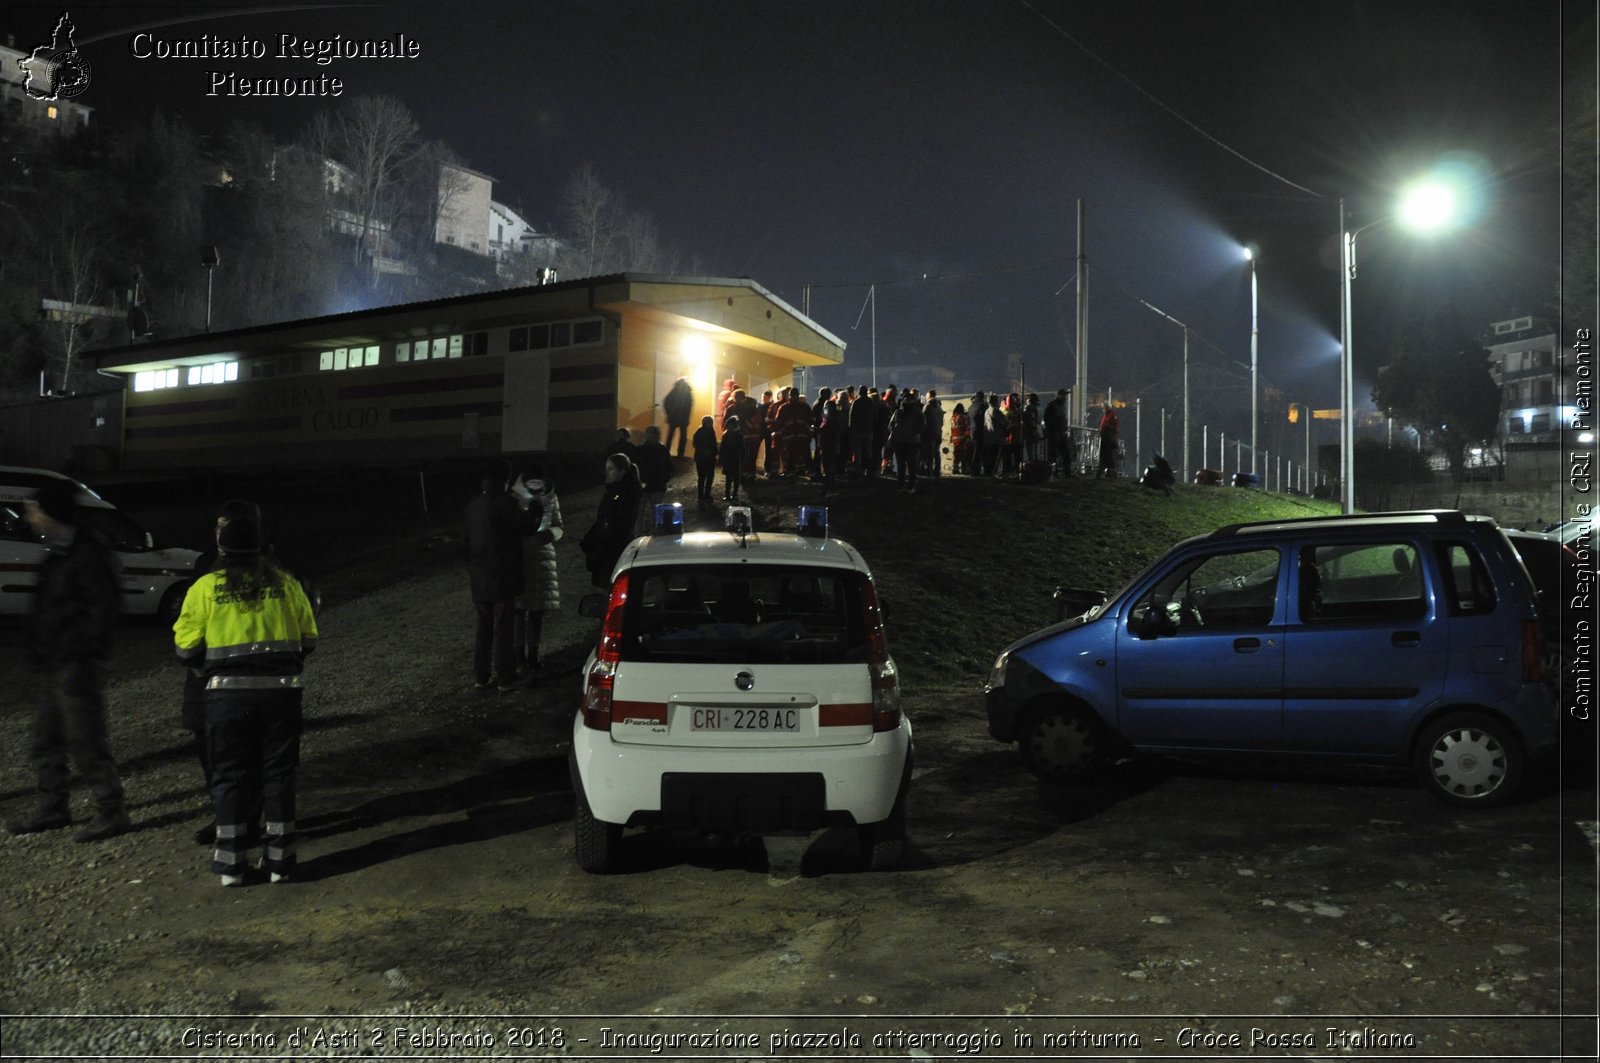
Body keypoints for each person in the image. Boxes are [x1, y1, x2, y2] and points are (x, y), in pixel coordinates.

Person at [174, 510, 318, 885]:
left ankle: (230, 867)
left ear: (221, 548)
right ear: (261, 547)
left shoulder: (205, 587)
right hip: (282, 695)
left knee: (229, 778)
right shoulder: (287, 584)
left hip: (226, 698)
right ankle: (280, 864)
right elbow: (309, 639)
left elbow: (185, 647)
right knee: (278, 776)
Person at [8, 479, 131, 842]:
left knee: (85, 739)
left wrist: (79, 653)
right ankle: (54, 807)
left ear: (51, 513)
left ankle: (112, 810)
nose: (28, 517)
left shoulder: (88, 553)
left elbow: (103, 610)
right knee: (46, 740)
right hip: (56, 663)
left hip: (75, 664)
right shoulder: (60, 552)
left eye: (33, 509)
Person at [181, 499, 263, 847]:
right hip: (205, 683)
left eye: (226, 526)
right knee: (211, 755)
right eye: (218, 525)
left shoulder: (269, 570)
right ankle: (227, 818)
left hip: (239, 682)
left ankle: (247, 822)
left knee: (246, 756)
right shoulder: (206, 569)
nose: (219, 532)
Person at [464, 458, 538, 691]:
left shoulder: (472, 506)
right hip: (503, 575)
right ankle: (505, 678)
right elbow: (526, 527)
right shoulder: (505, 504)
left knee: (483, 627)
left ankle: (481, 676)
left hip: (479, 575)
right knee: (502, 628)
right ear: (505, 479)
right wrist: (535, 510)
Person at [511, 464, 563, 676]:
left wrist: (550, 534)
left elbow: (559, 525)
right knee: (518, 611)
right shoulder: (514, 499)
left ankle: (534, 654)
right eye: (532, 484)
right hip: (520, 559)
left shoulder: (551, 497)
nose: (536, 488)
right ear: (524, 482)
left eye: (539, 484)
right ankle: (518, 658)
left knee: (537, 612)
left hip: (543, 558)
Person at [581, 453, 642, 588]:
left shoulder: (627, 493)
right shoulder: (612, 491)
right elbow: (603, 518)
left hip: (613, 549)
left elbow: (620, 523)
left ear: (622, 471)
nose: (606, 473)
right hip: (605, 547)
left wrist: (601, 539)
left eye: (611, 469)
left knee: (610, 585)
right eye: (606, 468)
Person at [634, 424, 673, 535]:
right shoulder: (662, 450)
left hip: (644, 486)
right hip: (656, 486)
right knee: (655, 513)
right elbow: (669, 467)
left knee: (640, 514)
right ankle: (655, 534)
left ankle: (639, 535)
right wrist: (665, 479)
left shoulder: (640, 450)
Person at [888, 394, 923, 493]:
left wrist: (896, 433)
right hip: (912, 442)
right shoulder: (917, 412)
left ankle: (901, 485)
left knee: (901, 465)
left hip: (900, 442)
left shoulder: (898, 412)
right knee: (911, 465)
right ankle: (911, 486)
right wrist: (914, 433)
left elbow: (890, 426)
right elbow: (923, 425)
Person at [662, 377, 694, 457]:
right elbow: (689, 406)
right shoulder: (688, 392)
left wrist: (669, 413)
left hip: (674, 417)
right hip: (683, 418)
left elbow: (666, 402)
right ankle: (680, 454)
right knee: (683, 436)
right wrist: (687, 417)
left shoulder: (674, 391)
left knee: (671, 435)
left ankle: (666, 452)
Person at [691, 414, 719, 506]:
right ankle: (703, 494)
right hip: (705, 458)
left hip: (703, 458)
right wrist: (711, 452)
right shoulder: (706, 431)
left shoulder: (702, 431)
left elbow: (696, 444)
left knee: (704, 477)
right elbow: (698, 444)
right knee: (705, 477)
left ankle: (704, 494)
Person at [1045, 389, 1073, 477]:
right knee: (1054, 454)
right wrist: (1053, 431)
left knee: (1065, 453)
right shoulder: (1052, 405)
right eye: (1064, 395)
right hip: (1055, 433)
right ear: (1060, 395)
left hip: (1060, 432)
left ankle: (1066, 473)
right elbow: (1048, 420)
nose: (1065, 397)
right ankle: (1053, 473)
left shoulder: (1060, 405)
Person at [719, 413, 747, 501]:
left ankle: (733, 494)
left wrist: (743, 457)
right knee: (729, 478)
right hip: (731, 459)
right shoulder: (731, 436)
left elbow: (741, 448)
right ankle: (728, 494)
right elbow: (722, 448)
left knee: (734, 478)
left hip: (734, 459)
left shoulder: (734, 436)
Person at [921, 390, 945, 478]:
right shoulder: (939, 407)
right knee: (936, 452)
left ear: (929, 396)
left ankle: (929, 470)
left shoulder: (927, 407)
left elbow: (923, 421)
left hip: (929, 433)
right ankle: (937, 470)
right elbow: (942, 422)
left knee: (929, 453)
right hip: (938, 432)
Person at [1098, 404, 1121, 478]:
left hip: (1109, 439)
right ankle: (1106, 473)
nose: (1103, 409)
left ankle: (1106, 473)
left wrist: (1107, 428)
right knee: (1106, 456)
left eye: (1104, 407)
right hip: (1105, 439)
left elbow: (1114, 426)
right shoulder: (1106, 415)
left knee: (1107, 456)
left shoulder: (1112, 415)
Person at [950, 402, 973, 475]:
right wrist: (968, 436)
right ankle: (964, 469)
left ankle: (955, 468)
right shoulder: (962, 417)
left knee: (956, 455)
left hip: (955, 438)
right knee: (963, 454)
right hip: (962, 438)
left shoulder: (953, 417)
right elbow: (966, 427)